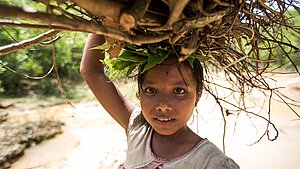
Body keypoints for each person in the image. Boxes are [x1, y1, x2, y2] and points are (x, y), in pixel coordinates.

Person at [80, 34, 239, 169]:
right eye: (150, 90)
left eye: (179, 91)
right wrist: (104, 18)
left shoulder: (212, 163)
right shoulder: (138, 128)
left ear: (198, 94)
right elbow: (91, 71)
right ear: (139, 93)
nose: (163, 105)